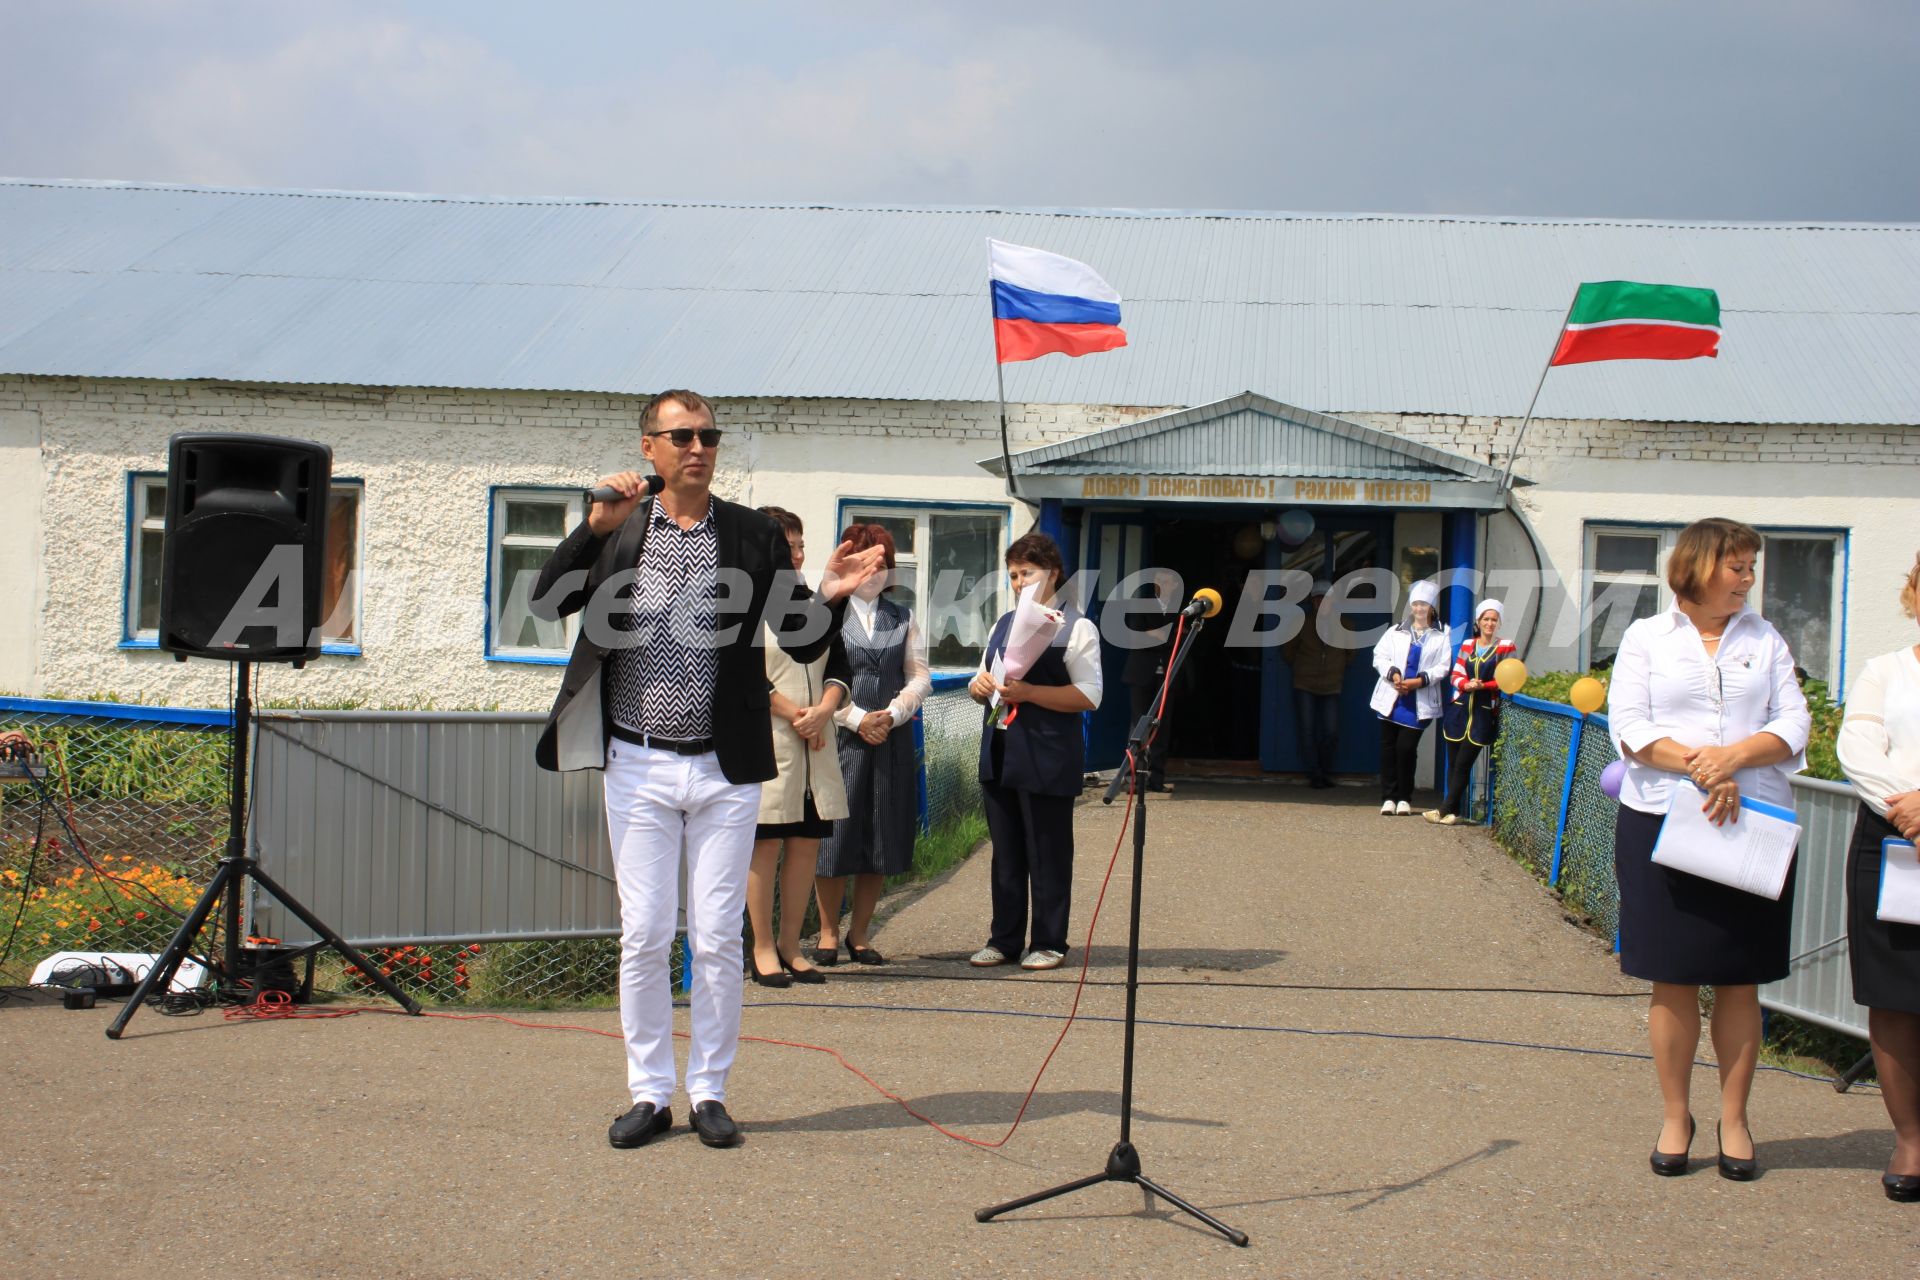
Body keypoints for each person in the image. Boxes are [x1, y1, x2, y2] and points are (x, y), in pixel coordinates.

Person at [531, 389, 886, 1152]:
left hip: (724, 769)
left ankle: (710, 1092)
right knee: (646, 933)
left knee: (720, 937)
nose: (697, 447)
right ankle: (650, 1093)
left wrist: (828, 590)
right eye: (681, 435)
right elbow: (545, 601)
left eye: (708, 435)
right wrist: (592, 531)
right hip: (636, 761)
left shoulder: (750, 532)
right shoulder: (622, 526)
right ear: (648, 449)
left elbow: (798, 632)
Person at [1606, 517, 1810, 1181]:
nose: (1748, 581)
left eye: (1752, 568)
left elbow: (1794, 723)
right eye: (1737, 568)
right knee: (1672, 974)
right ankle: (1675, 1115)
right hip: (1664, 822)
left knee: (1738, 976)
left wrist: (1731, 758)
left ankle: (1735, 1117)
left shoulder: (1766, 638)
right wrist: (1702, 767)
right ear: (1696, 569)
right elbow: (1631, 729)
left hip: (1752, 822)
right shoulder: (1645, 637)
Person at [967, 532, 1102, 971]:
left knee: (1047, 851)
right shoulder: (1001, 624)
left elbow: (1089, 695)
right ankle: (1004, 939)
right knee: (1005, 852)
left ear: (1053, 574)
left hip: (1047, 753)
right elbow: (984, 681)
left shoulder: (1077, 625)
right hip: (1002, 748)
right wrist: (977, 685)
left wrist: (1030, 692)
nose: (1019, 582)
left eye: (1028, 573)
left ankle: (1049, 941)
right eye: (1013, 575)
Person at [1835, 550, 1920, 1203]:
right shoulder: (1884, 671)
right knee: (1893, 997)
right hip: (1892, 839)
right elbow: (1855, 749)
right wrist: (1912, 803)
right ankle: (1910, 1140)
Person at [813, 524, 931, 968]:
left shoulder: (902, 617)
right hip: (837, 738)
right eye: (867, 560)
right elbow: (814, 677)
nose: (875, 570)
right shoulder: (826, 612)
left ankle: (859, 934)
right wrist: (858, 718)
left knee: (881, 837)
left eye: (883, 563)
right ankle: (826, 933)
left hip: (890, 740)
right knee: (834, 840)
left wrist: (892, 715)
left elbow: (919, 675)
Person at [745, 507, 851, 990]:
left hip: (817, 742)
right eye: (786, 546)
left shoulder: (814, 603)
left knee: (806, 846)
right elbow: (741, 677)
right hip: (771, 742)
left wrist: (826, 709)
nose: (796, 554)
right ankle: (762, 949)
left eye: (800, 544)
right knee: (763, 849)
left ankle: (792, 945)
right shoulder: (743, 603)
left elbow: (841, 667)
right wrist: (794, 714)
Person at [1427, 599, 1516, 825]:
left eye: (1494, 619)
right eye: (1485, 619)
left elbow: (1509, 679)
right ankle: (1453, 813)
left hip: (1483, 714)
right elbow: (1456, 673)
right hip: (1460, 711)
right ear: (1478, 621)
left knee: (1463, 764)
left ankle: (1443, 809)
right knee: (1453, 762)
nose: (1489, 623)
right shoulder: (1468, 645)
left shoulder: (1506, 647)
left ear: (1499, 622)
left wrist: (1483, 686)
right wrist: (1466, 685)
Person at [1370, 580, 1449, 815]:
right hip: (1392, 697)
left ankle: (1404, 797)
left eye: (1424, 605)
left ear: (1432, 608)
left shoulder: (1441, 635)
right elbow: (1379, 657)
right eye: (1416, 604)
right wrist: (1394, 674)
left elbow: (1443, 666)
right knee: (1388, 749)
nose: (1419, 609)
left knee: (1405, 748)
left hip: (1418, 701)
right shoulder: (1395, 631)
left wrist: (1420, 681)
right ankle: (1388, 798)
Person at [1283, 579, 1352, 789]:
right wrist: (1302, 668)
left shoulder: (1345, 624)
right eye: (1317, 599)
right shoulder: (1301, 623)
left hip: (1332, 685)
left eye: (1325, 598)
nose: (1321, 603)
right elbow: (1288, 651)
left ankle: (1324, 769)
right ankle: (1315, 774)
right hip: (1305, 683)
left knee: (1331, 731)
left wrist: (1335, 668)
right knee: (1307, 730)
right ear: (1312, 602)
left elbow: (1350, 653)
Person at [1119, 568, 1182, 793]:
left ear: (1174, 585)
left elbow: (1179, 638)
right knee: (1139, 724)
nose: (1163, 583)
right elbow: (1134, 635)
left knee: (1162, 726)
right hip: (1140, 672)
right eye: (1159, 579)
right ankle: (1132, 779)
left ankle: (1156, 779)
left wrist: (1156, 635)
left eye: (1168, 581)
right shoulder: (1141, 604)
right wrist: (1159, 636)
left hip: (1166, 673)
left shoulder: (1180, 610)